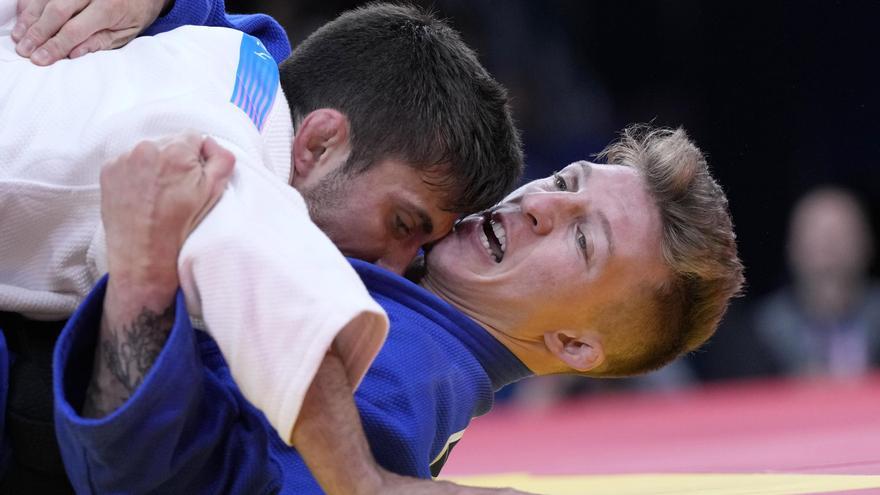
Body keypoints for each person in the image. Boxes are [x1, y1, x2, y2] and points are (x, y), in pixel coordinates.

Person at [0, 3, 523, 493]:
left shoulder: (225, 57)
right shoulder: (220, 146)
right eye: (401, 222)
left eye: (418, 247)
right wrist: (365, 482)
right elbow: (281, 302)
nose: (393, 265)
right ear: (319, 143)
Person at [53, 125, 745, 492]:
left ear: (571, 343)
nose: (541, 203)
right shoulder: (407, 268)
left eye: (583, 238)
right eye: (567, 182)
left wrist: (141, 279)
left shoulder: (406, 375)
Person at [753, 186, 880, 377]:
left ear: (867, 243)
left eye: (841, 235)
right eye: (817, 237)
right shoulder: (765, 329)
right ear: (792, 248)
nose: (829, 248)